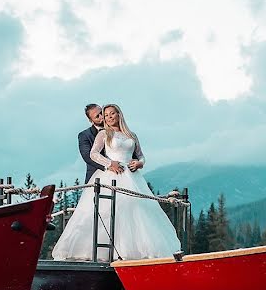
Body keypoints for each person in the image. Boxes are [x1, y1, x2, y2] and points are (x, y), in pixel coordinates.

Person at [52, 103, 181, 261]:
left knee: (136, 211)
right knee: (110, 211)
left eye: (111, 114)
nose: (108, 117)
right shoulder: (104, 134)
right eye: (105, 115)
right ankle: (106, 252)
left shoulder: (131, 135)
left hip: (132, 178)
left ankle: (137, 252)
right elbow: (92, 154)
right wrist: (109, 164)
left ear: (119, 114)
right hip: (111, 176)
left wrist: (139, 163)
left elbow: (141, 155)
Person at [78, 103, 106, 185]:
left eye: (102, 113)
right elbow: (87, 156)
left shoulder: (117, 130)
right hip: (95, 178)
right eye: (97, 116)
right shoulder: (84, 135)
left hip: (121, 177)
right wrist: (109, 166)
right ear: (91, 121)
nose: (102, 117)